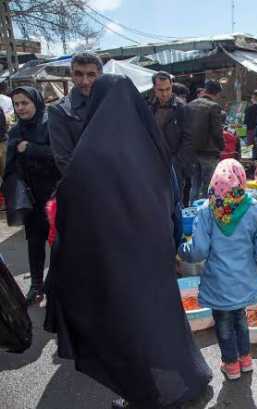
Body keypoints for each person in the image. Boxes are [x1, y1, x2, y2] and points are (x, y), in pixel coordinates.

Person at [47, 74, 212, 409]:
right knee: (163, 320)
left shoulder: (88, 157)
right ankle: (185, 381)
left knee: (129, 329)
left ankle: (147, 396)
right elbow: (171, 201)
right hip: (155, 255)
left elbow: (73, 211)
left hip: (115, 263)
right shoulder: (151, 148)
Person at [179, 159, 257, 380]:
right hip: (243, 282)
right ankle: (246, 360)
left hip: (218, 284)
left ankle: (231, 365)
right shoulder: (255, 209)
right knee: (240, 318)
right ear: (241, 180)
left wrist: (181, 249)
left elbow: (198, 250)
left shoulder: (206, 210)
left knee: (223, 323)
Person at [4, 87, 60, 305]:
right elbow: (10, 164)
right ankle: (36, 286)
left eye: (24, 103)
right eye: (16, 104)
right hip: (30, 198)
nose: (20, 108)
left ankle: (56, 284)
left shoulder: (51, 125)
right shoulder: (17, 130)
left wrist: (30, 149)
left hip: (54, 196)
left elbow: (60, 155)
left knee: (58, 243)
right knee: (34, 243)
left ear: (36, 102)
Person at [49, 52, 103, 174]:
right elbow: (64, 160)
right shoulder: (60, 111)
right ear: (71, 75)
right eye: (79, 74)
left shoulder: (110, 102)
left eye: (91, 75)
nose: (85, 81)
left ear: (100, 75)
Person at [148, 71, 193, 206]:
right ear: (154, 89)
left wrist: (178, 162)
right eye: (161, 90)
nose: (165, 93)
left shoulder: (181, 108)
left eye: (168, 89)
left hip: (174, 163)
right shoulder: (149, 108)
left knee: (175, 201)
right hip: (154, 163)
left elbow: (188, 138)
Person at [188, 79, 225, 201]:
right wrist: (222, 146)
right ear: (217, 93)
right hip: (209, 153)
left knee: (194, 185)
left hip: (192, 152)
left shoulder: (190, 104)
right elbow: (217, 132)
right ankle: (205, 214)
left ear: (205, 90)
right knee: (208, 187)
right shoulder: (214, 107)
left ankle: (193, 212)